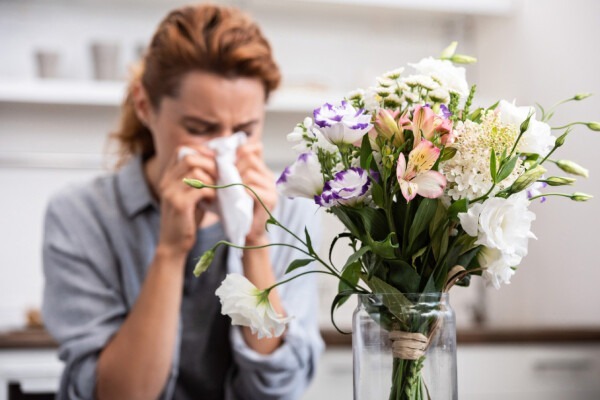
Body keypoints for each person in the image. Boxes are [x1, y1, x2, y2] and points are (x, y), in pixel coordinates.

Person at [41, 4, 324, 400]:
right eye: (200, 129)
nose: (225, 147)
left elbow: (278, 386)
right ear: (145, 106)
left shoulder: (290, 209)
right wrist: (171, 251)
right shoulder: (81, 216)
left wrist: (256, 243)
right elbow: (119, 394)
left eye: (244, 130)